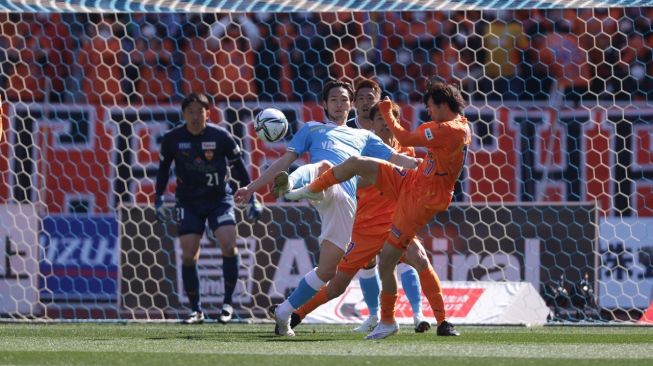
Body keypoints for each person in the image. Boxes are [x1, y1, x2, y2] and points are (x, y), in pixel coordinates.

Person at [233, 79, 419, 337]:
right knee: (322, 169)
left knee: (327, 270)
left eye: (344, 99)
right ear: (324, 104)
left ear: (351, 105)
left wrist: (426, 166)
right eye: (334, 99)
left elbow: (398, 158)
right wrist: (250, 188)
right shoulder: (311, 129)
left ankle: (284, 312)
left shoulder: (363, 136)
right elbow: (283, 161)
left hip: (343, 202)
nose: (340, 104)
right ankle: (292, 187)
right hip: (320, 184)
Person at [286, 80, 469, 338]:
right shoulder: (362, 142)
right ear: (371, 124)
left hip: (399, 214)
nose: (385, 124)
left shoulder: (407, 149)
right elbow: (354, 179)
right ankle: (299, 313)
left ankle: (437, 320)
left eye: (390, 118)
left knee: (416, 259)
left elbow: (425, 163)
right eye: (381, 119)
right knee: (339, 282)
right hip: (365, 226)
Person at [155, 92, 262, 324]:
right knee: (189, 253)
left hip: (218, 199)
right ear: (183, 114)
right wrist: (158, 198)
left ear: (208, 113)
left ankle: (227, 304)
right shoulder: (173, 139)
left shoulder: (221, 136)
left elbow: (240, 168)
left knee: (228, 243)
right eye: (190, 112)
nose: (195, 116)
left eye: (200, 112)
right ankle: (196, 310)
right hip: (188, 201)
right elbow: (163, 171)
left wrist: (251, 195)